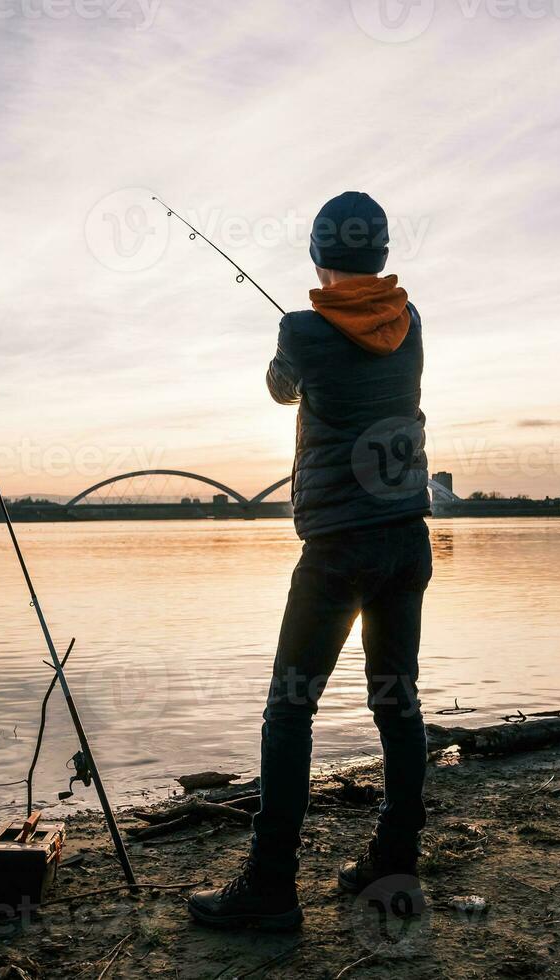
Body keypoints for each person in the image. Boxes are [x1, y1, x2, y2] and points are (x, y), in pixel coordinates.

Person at [188, 191, 433, 930]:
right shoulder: (411, 323)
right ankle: (394, 858)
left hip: (336, 551)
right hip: (406, 540)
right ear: (382, 257)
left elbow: (278, 388)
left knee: (289, 710)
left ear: (321, 258)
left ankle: (270, 885)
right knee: (398, 703)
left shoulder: (301, 329)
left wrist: (295, 350)